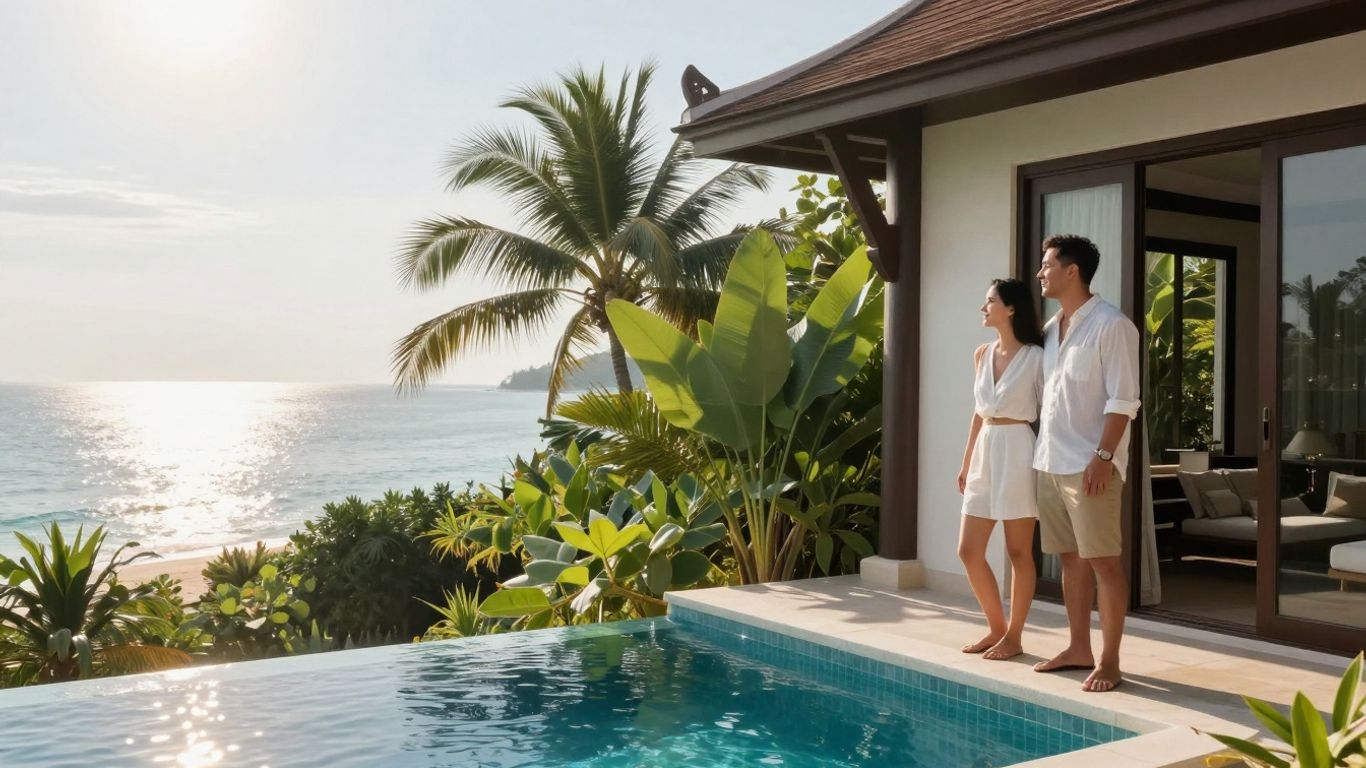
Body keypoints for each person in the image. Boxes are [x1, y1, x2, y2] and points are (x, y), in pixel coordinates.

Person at [1031, 234, 1141, 693]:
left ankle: (1110, 661)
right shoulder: (1050, 330)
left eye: (1047, 265)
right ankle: (1079, 648)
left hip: (1090, 464)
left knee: (1104, 562)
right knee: (1070, 559)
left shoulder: (1112, 326)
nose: (1040, 273)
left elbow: (1124, 399)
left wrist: (1103, 456)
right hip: (1050, 461)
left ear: (1071, 271)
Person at [957, 278, 1045, 662]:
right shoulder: (982, 354)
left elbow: (1050, 411)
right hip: (985, 452)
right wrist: (966, 462)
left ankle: (1015, 636)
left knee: (1018, 551)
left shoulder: (1036, 357)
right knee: (968, 550)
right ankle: (995, 627)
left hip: (1018, 450)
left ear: (1011, 309)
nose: (983, 307)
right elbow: (978, 414)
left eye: (989, 301)